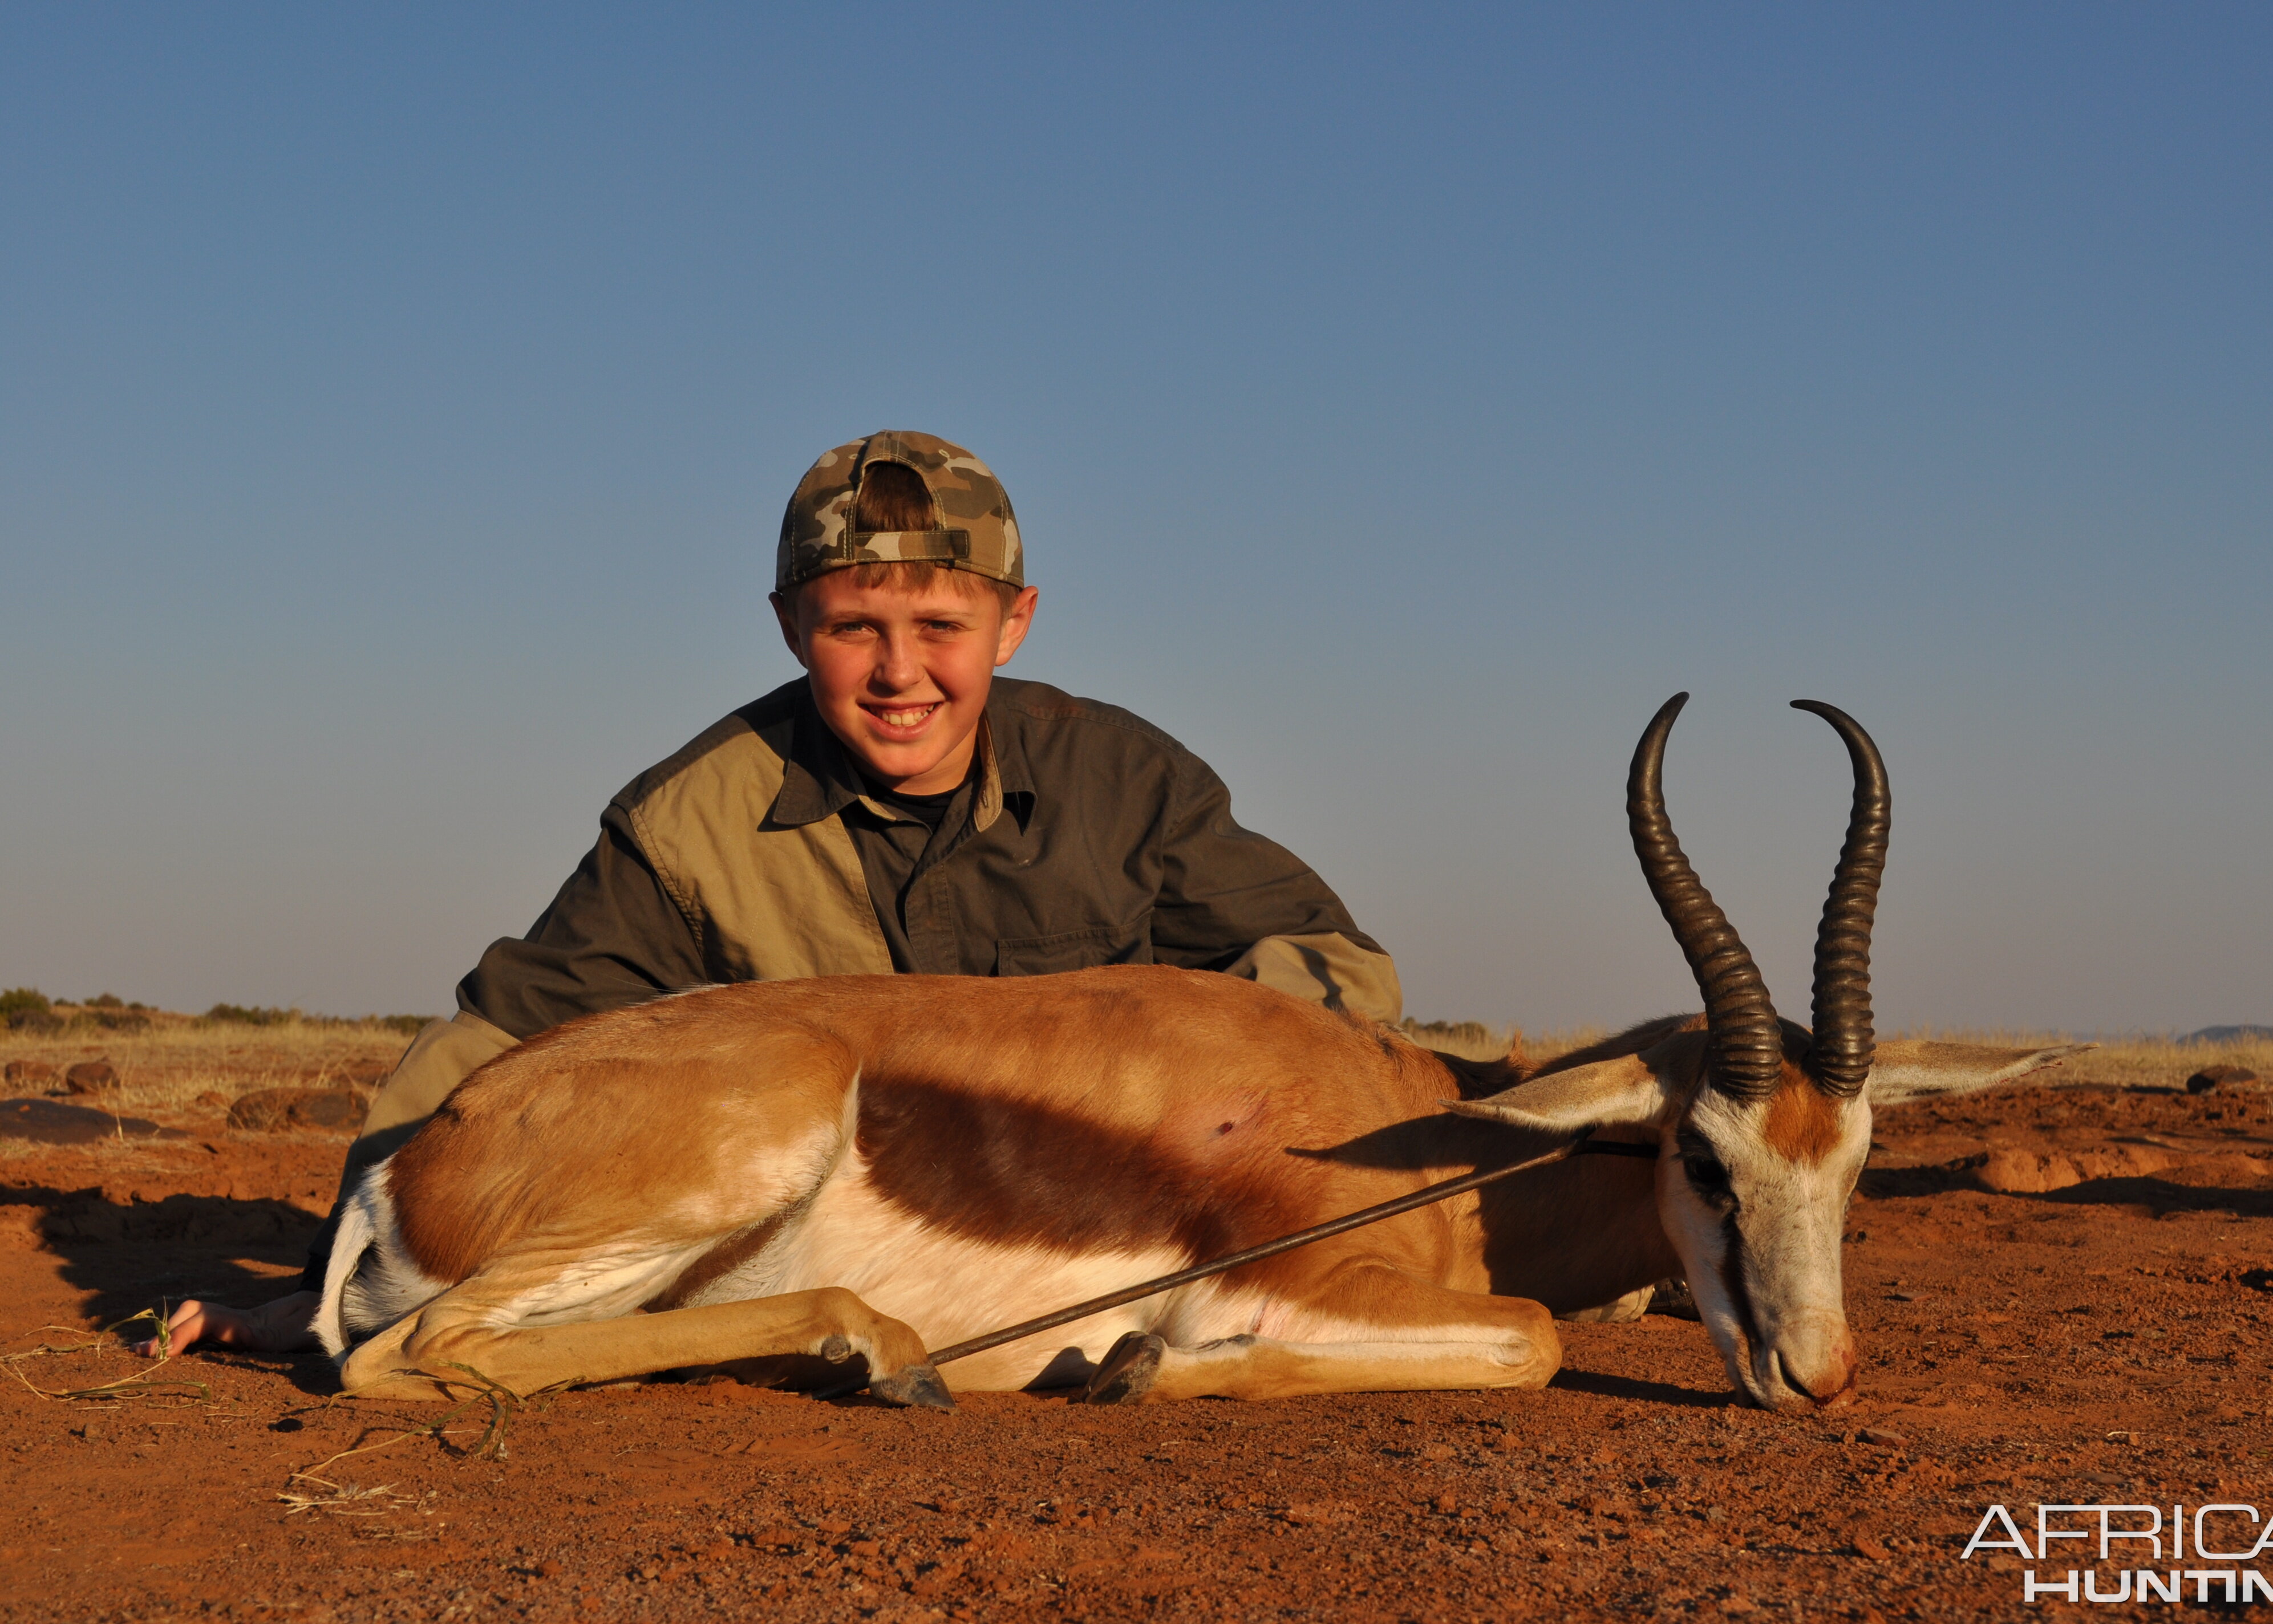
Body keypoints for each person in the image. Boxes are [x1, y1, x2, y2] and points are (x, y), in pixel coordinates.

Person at [149, 430, 1400, 1358]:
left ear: (1012, 623)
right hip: (848, 1254)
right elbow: (506, 1029)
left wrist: (1195, 1087)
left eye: (940, 624)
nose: (899, 670)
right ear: (791, 623)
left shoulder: (1122, 779)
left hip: (1095, 1246)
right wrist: (335, 1282)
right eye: (854, 625)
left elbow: (1332, 970)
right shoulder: (693, 814)